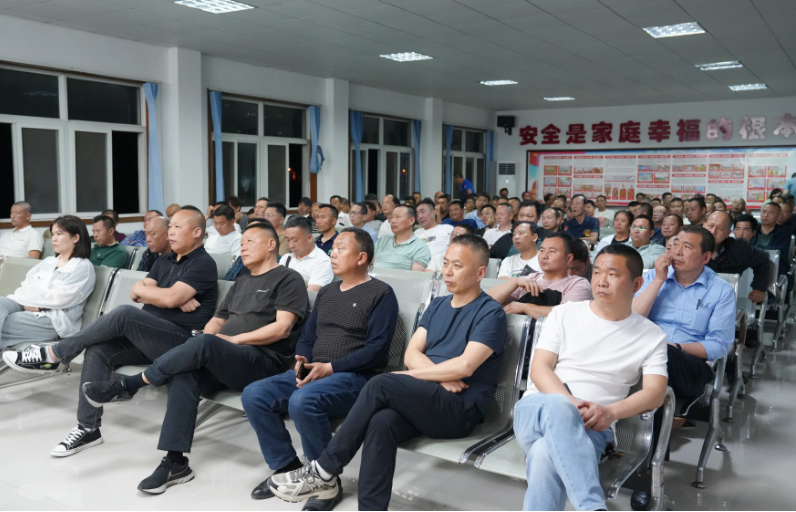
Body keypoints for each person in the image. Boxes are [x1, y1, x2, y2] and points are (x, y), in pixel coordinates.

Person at [267, 235, 506, 511]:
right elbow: (411, 355)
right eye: (446, 263)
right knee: (381, 423)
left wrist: (411, 376)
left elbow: (465, 367)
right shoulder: (438, 305)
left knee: (381, 383)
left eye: (458, 266)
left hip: (460, 408)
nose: (448, 271)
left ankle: (324, 470)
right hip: (426, 399)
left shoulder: (490, 313)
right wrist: (440, 374)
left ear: (480, 273)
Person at [79, 221, 309, 494]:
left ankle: (130, 385)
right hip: (226, 357)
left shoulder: (288, 279)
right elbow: (217, 321)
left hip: (263, 361)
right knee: (185, 374)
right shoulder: (242, 281)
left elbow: (282, 328)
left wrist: (231, 340)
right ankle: (175, 462)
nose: (243, 248)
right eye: (242, 243)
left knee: (206, 343)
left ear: (271, 244)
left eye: (249, 242)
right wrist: (207, 340)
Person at [3, 208, 218, 457]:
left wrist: (166, 296)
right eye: (170, 226)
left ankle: (55, 353)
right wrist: (167, 296)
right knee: (98, 350)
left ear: (197, 232)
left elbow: (163, 297)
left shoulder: (203, 264)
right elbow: (136, 291)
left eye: (177, 227)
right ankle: (88, 428)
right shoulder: (164, 260)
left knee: (125, 313)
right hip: (149, 336)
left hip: (181, 343)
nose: (170, 232)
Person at [243, 228, 398, 509]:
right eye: (333, 248)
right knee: (255, 394)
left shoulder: (381, 293)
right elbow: (308, 336)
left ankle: (324, 483)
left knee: (303, 401)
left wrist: (330, 367)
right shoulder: (327, 292)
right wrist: (302, 359)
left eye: (340, 248)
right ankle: (287, 467)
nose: (332, 253)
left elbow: (377, 350)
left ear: (361, 257)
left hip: (355, 377)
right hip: (315, 371)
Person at [515, 244, 667, 511]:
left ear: (636, 284)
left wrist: (610, 412)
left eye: (612, 274)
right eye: (597, 272)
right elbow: (539, 369)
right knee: (559, 406)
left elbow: (655, 393)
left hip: (594, 426)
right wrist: (573, 406)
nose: (601, 281)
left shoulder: (652, 336)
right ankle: (591, 506)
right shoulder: (564, 313)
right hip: (537, 410)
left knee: (543, 454)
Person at [631, 227, 735, 506]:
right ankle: (627, 461)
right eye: (675, 244)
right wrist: (658, 281)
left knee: (660, 362)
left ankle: (647, 473)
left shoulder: (720, 290)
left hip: (690, 365)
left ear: (706, 257)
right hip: (644, 358)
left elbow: (718, 345)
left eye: (687, 247)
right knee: (652, 386)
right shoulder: (652, 277)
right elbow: (630, 320)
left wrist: (673, 347)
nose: (676, 251)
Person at [0, 216, 95, 350]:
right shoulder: (48, 261)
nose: (54, 239)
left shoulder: (83, 267)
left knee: (8, 321)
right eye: (53, 234)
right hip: (24, 303)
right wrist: (29, 302)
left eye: (59, 234)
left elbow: (60, 298)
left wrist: (33, 301)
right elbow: (26, 285)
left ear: (75, 238)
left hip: (53, 318)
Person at [488, 233, 593, 319]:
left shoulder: (579, 284)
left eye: (551, 251)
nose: (544, 256)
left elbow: (567, 315)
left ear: (568, 258)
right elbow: (487, 302)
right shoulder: (530, 278)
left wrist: (524, 308)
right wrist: (515, 282)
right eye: (542, 250)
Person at [704, 211, 769, 304]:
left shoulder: (738, 249)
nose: (713, 231)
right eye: (710, 226)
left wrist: (758, 288)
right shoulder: (689, 245)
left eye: (720, 228)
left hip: (725, 300)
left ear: (728, 233)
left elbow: (762, 259)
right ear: (703, 226)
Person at [281, 216, 334, 292]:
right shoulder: (286, 258)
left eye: (295, 240)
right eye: (288, 240)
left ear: (309, 238)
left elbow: (310, 294)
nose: (291, 245)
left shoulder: (323, 261)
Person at [373, 206, 431, 271]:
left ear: (411, 220)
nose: (393, 221)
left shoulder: (420, 247)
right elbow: (369, 264)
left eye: (398, 217)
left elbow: (415, 276)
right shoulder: (382, 240)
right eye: (391, 217)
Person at [752, 202, 791, 279]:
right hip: (751, 267)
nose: (766, 215)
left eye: (771, 213)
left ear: (778, 216)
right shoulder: (752, 230)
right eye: (764, 212)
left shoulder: (784, 232)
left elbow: (779, 251)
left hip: (774, 268)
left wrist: (754, 250)